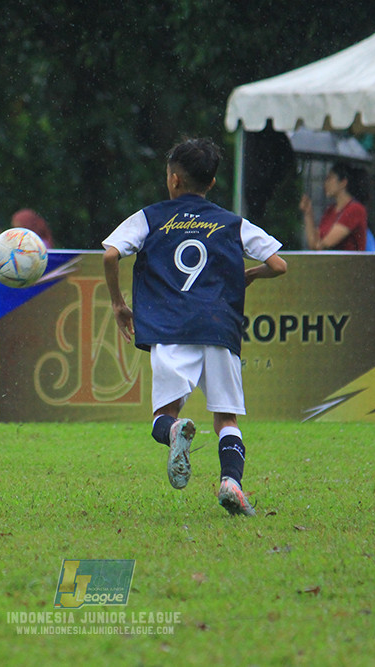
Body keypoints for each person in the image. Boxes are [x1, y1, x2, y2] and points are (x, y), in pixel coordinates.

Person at [102, 137, 287, 517]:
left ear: (173, 180)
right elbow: (279, 265)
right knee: (226, 418)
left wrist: (119, 304)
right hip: (219, 328)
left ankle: (174, 432)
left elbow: (111, 254)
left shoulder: (151, 217)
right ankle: (231, 483)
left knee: (164, 416)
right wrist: (249, 274)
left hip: (170, 329)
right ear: (212, 183)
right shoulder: (232, 222)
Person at [299, 161, 368, 251]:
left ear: (343, 182)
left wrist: (319, 244)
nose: (326, 183)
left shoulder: (355, 209)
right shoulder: (330, 210)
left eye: (330, 178)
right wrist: (308, 213)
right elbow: (314, 244)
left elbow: (325, 244)